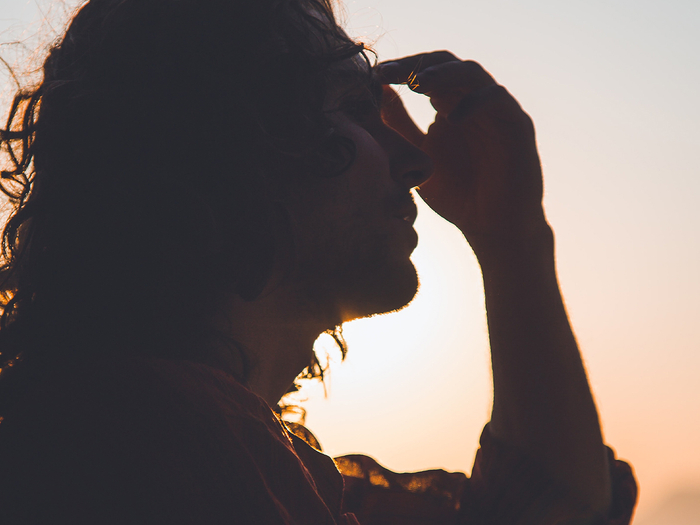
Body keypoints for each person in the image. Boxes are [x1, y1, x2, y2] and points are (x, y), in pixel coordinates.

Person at [0, 0, 637, 523]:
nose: (417, 163)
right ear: (231, 140)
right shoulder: (133, 455)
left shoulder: (258, 462)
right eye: (357, 109)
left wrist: (511, 236)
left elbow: (549, 508)